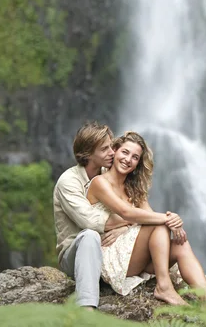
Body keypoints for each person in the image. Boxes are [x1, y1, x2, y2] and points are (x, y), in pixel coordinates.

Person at [86, 131, 206, 306]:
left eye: (135, 157)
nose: (128, 159)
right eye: (124, 152)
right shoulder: (99, 182)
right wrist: (170, 218)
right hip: (111, 258)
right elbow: (127, 213)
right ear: (115, 151)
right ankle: (164, 287)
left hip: (134, 257)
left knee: (180, 245)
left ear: (138, 164)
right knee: (159, 224)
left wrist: (169, 220)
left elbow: (148, 215)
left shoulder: (133, 188)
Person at [53, 120, 128, 309]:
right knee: (89, 235)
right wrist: (129, 219)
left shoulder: (110, 174)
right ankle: (86, 309)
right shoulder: (68, 182)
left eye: (112, 146)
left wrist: (126, 227)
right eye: (105, 149)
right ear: (87, 154)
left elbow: (132, 206)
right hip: (75, 254)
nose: (112, 152)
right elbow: (91, 222)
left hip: (108, 250)